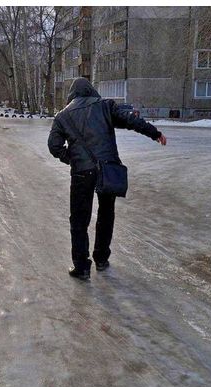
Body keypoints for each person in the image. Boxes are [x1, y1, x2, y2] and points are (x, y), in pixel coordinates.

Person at [48, 77, 167, 280]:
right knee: (106, 215)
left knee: (79, 220)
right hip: (107, 169)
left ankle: (82, 267)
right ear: (91, 91)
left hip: (81, 173)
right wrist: (154, 133)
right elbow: (131, 120)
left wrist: (73, 159)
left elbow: (54, 146)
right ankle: (101, 259)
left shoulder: (63, 116)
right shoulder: (105, 106)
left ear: (72, 94)